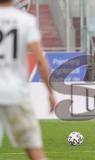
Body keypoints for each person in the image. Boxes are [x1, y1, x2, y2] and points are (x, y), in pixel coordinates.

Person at [0, 0, 56, 159]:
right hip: (15, 94)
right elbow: (40, 61)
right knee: (35, 152)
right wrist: (50, 92)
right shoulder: (26, 20)